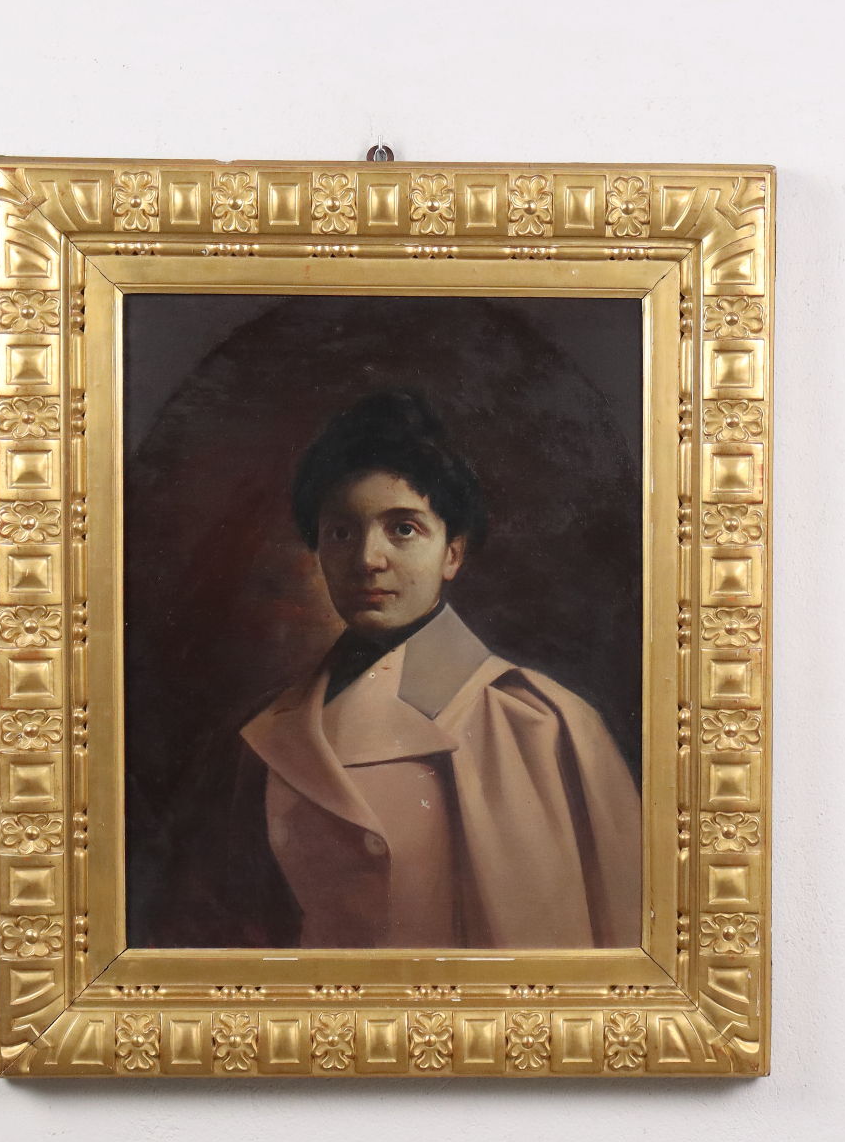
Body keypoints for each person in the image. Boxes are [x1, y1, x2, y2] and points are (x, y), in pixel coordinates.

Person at [155, 390, 640, 950]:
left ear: (452, 553)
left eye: (403, 529)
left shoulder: (547, 725)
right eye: (341, 532)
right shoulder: (260, 738)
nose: (367, 559)